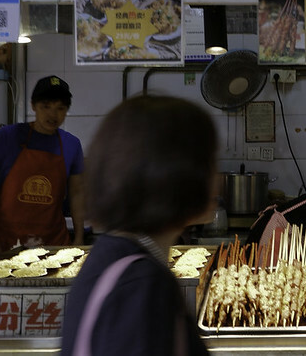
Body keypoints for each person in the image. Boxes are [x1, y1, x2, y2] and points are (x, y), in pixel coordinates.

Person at [61, 95, 216, 356]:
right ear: (179, 174)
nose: (217, 177)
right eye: (210, 160)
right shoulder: (140, 285)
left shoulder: (115, 258)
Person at [0, 75, 85, 255]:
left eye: (60, 108)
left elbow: (76, 193)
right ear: (33, 106)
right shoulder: (8, 137)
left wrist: (79, 237)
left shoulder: (71, 144)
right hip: (5, 244)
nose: (53, 115)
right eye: (46, 106)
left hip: (51, 246)